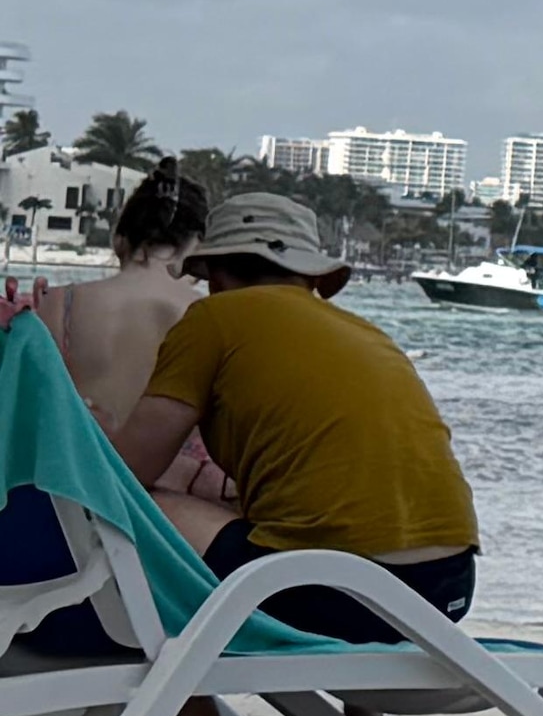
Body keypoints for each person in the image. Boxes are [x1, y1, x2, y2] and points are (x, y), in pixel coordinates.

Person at [115, 193, 480, 651]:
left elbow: (127, 470)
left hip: (324, 593)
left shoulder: (212, 318)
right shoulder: (365, 333)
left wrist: (85, 429)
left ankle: (164, 680)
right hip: (445, 590)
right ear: (310, 278)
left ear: (217, 275)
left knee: (143, 507)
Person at [40, 163, 234, 534]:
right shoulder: (209, 315)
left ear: (119, 239)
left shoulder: (56, 304)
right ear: (197, 246)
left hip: (74, 507)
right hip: (172, 517)